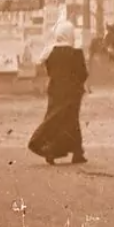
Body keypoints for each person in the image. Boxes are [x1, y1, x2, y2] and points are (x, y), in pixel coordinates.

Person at [27, 20, 89, 166]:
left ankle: (72, 152)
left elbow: (46, 69)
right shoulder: (76, 52)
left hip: (55, 90)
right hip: (73, 92)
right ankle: (60, 149)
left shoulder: (50, 51)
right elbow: (83, 74)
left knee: (55, 118)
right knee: (71, 121)